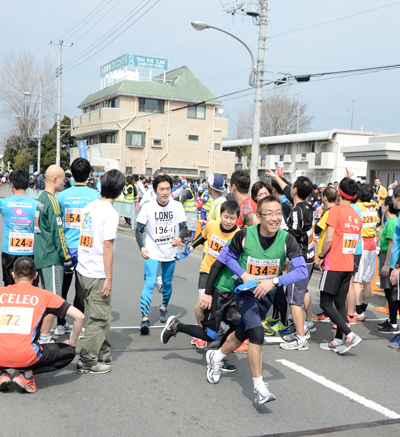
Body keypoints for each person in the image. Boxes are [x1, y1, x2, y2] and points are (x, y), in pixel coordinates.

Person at [199, 196, 307, 403]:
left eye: (278, 213)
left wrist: (274, 281)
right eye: (269, 214)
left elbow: (302, 271)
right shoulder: (245, 236)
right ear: (258, 216)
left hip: (266, 295)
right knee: (257, 334)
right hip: (245, 294)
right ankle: (259, 387)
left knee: (242, 333)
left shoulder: (286, 239)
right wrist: (244, 275)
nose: (275, 218)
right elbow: (226, 257)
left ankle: (216, 356)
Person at [0, 257, 84, 393]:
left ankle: (1, 373)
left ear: (13, 275)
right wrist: (72, 341)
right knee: (68, 352)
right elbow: (80, 316)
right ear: (36, 276)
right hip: (25, 355)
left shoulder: (1, 292)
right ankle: (26, 374)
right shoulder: (44, 295)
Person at [75, 169, 125, 374]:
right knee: (100, 318)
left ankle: (102, 353)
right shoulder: (111, 213)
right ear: (120, 191)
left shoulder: (89, 207)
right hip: (96, 272)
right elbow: (107, 247)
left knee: (98, 313)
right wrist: (109, 278)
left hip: (83, 269)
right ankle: (87, 361)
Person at [265, 170, 315, 349]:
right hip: (309, 257)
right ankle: (301, 330)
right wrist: (274, 176)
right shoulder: (308, 205)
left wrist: (285, 257)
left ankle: (301, 339)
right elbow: (286, 190)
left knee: (293, 299)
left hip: (298, 260)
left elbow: (291, 239)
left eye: (292, 186)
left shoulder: (296, 212)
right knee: (298, 296)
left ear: (295, 190)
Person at [136, 174, 187, 334]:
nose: (165, 192)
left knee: (166, 283)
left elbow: (185, 228)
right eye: (161, 189)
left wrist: (180, 237)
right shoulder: (148, 207)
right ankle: (144, 319)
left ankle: (164, 307)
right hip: (151, 252)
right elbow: (138, 229)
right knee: (150, 284)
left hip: (169, 252)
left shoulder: (177, 206)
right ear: (155, 190)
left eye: (167, 189)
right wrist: (141, 247)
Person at [55, 158, 100, 337]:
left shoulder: (62, 196)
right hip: (85, 247)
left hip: (66, 247)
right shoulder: (95, 196)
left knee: (63, 288)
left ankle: (60, 323)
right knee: (81, 289)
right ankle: (78, 326)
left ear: (71, 175)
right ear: (89, 175)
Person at [317, 177, 363, 354]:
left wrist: (321, 255)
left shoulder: (335, 211)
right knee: (339, 302)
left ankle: (349, 335)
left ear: (339, 194)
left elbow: (328, 238)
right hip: (348, 264)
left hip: (334, 263)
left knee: (325, 302)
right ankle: (337, 339)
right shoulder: (357, 217)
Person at [187, 200, 240, 348]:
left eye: (232, 218)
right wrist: (192, 245)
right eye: (225, 216)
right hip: (207, 270)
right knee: (203, 304)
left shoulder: (239, 235)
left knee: (221, 309)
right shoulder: (211, 225)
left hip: (224, 277)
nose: (228, 221)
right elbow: (203, 236)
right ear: (220, 215)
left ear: (237, 219)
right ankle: (201, 331)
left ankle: (213, 328)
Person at [34, 165, 74, 344]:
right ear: (54, 179)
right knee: (54, 298)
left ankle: (41, 333)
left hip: (41, 254)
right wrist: (66, 258)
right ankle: (44, 337)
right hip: (52, 257)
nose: (65, 181)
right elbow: (59, 234)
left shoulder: (41, 197)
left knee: (46, 297)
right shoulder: (53, 202)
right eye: (63, 179)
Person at [0, 169, 38, 286]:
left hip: (9, 252)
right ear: (28, 184)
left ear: (11, 184)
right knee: (30, 287)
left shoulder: (4, 202)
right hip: (30, 251)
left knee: (10, 286)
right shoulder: (36, 204)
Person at [311, 186, 337, 323]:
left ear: (325, 198)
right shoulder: (335, 211)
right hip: (333, 253)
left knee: (325, 287)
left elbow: (317, 228)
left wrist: (318, 213)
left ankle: (327, 313)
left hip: (326, 254)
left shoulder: (329, 212)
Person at [353, 184, 378, 321]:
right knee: (367, 281)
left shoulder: (358, 208)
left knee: (356, 281)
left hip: (361, 245)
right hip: (372, 246)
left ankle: (358, 310)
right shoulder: (374, 207)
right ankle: (363, 309)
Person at [377, 196, 399, 334]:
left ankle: (394, 324)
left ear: (387, 207)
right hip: (387, 258)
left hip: (389, 259)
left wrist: (386, 264)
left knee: (390, 293)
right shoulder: (391, 221)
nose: (381, 206)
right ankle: (391, 320)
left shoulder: (391, 222)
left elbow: (391, 244)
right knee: (389, 293)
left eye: (383, 204)